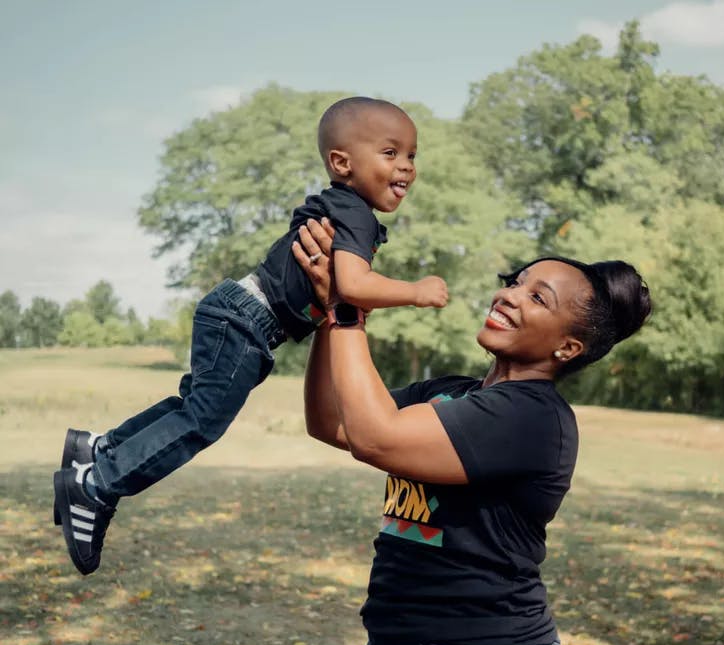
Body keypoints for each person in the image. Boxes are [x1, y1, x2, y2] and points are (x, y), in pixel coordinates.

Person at [53, 96, 449, 576]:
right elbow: (352, 285)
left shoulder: (344, 207)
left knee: (191, 407)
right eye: (391, 153)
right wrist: (416, 291)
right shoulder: (357, 215)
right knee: (201, 421)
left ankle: (97, 449)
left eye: (412, 155)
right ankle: (96, 485)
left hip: (238, 312)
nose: (406, 165)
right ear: (342, 162)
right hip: (247, 320)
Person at [292, 217, 651, 645]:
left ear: (568, 348)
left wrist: (348, 307)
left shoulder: (534, 416)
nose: (510, 295)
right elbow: (331, 420)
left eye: (538, 297)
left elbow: (376, 439)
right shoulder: (451, 392)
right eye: (515, 282)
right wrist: (328, 312)